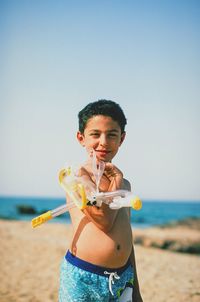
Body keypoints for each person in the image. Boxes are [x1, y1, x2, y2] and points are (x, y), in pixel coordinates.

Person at [59, 99, 143, 301]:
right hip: (85, 277)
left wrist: (136, 289)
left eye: (111, 135)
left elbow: (127, 236)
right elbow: (103, 219)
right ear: (81, 138)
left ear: (121, 139)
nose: (103, 142)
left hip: (122, 277)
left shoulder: (125, 185)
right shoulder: (76, 176)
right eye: (95, 134)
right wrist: (117, 182)